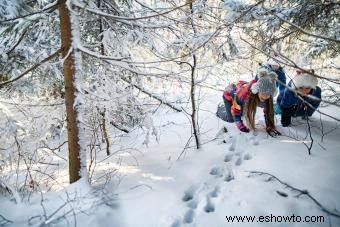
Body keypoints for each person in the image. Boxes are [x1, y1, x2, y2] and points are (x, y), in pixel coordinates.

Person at [222, 72, 281, 136]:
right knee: (231, 119)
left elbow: (268, 112)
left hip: (243, 90)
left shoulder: (267, 98)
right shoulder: (244, 95)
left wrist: (270, 126)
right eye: (263, 93)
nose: (265, 96)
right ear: (257, 90)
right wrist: (240, 126)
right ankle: (221, 107)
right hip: (229, 93)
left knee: (241, 110)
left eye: (268, 94)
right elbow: (235, 110)